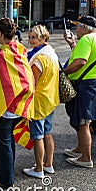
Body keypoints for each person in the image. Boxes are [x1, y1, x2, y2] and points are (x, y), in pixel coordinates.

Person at [0, 18, 34, 188]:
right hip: (18, 104)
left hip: (2, 106)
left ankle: (5, 180)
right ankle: (8, 173)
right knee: (9, 141)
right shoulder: (20, 49)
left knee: (3, 143)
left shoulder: (0, 56)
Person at [63, 15, 96, 168]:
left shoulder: (87, 40)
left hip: (87, 86)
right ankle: (80, 149)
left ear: (84, 28)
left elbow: (81, 61)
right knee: (84, 120)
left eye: (77, 26)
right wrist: (73, 43)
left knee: (84, 122)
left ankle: (86, 158)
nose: (75, 29)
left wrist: (65, 72)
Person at [22, 25, 59, 178]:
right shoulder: (51, 53)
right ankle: (48, 164)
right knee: (47, 133)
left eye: (33, 38)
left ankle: (38, 169)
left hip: (39, 101)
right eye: (29, 37)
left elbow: (32, 83)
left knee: (37, 136)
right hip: (50, 99)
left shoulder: (38, 59)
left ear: (43, 39)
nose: (30, 40)